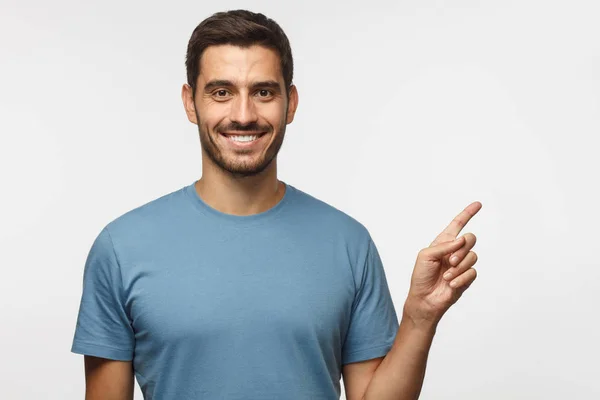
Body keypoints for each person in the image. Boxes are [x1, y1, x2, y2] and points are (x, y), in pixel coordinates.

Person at [71, 9, 481, 400]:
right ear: (190, 103)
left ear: (291, 103)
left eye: (263, 92)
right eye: (221, 92)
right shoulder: (121, 248)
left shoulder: (348, 243)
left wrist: (419, 319)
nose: (244, 114)